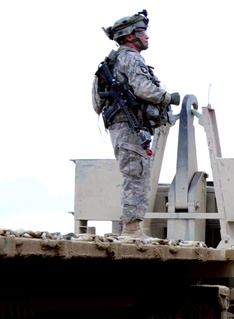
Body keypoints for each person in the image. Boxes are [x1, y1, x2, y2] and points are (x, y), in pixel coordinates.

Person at [92, 10, 179, 239]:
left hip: (120, 128)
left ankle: (132, 228)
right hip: (129, 129)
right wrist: (168, 97)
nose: (147, 37)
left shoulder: (112, 62)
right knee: (137, 176)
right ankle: (132, 230)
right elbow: (144, 89)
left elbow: (96, 103)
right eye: (143, 32)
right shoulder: (130, 57)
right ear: (130, 35)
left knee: (134, 174)